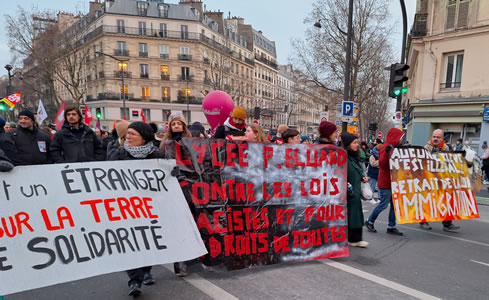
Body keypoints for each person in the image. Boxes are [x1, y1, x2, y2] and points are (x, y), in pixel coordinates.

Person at [107, 122, 163, 296]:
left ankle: (146, 269)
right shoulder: (119, 153)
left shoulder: (157, 155)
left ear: (144, 138)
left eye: (132, 134)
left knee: (148, 240)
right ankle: (134, 280)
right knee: (130, 242)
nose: (128, 137)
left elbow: (164, 177)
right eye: (127, 134)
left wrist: (171, 173)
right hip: (127, 206)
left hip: (150, 206)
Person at [365, 128, 404, 236]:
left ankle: (391, 226)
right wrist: (387, 154)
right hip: (386, 182)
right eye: (400, 138)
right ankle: (369, 221)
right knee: (383, 205)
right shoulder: (385, 148)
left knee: (394, 205)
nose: (401, 140)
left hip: (394, 182)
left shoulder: (396, 148)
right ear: (395, 138)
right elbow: (381, 164)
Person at [419, 129, 460, 232]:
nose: (436, 139)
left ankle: (447, 223)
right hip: (429, 179)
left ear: (442, 138)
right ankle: (423, 221)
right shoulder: (426, 148)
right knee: (428, 201)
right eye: (434, 137)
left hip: (442, 179)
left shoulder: (446, 148)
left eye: (438, 137)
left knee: (448, 200)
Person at [341, 132, 368, 247]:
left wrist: (363, 177)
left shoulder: (353, 157)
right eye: (354, 142)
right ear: (347, 145)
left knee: (355, 216)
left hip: (354, 193)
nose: (357, 145)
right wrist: (349, 190)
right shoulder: (344, 158)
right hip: (350, 194)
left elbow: (356, 171)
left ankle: (354, 239)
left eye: (357, 142)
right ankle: (353, 239)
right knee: (352, 217)